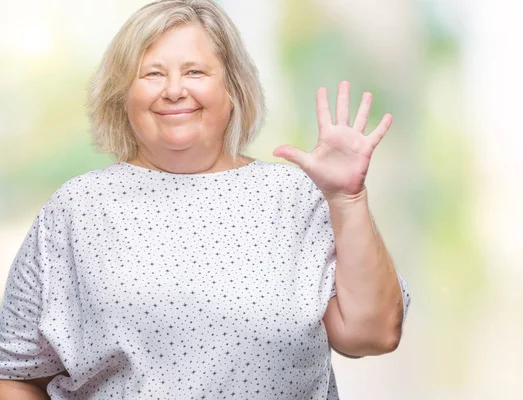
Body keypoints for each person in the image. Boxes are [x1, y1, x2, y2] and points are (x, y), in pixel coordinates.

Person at [0, 0, 411, 398]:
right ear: (121, 95)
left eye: (195, 71)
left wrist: (347, 198)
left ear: (233, 88)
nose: (174, 90)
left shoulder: (297, 197)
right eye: (152, 74)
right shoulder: (77, 208)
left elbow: (372, 335)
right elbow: (13, 375)